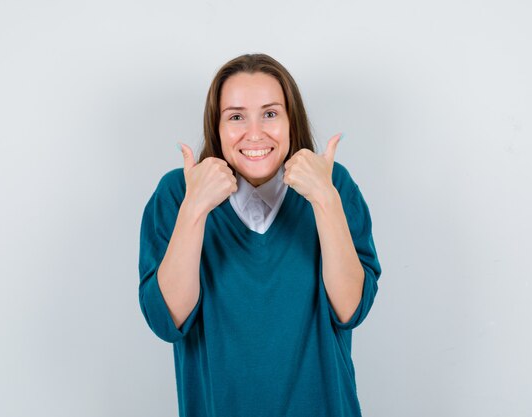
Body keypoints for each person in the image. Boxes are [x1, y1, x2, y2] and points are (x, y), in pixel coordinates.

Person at [138, 53, 382, 417]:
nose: (255, 133)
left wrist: (324, 199)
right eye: (236, 116)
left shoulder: (332, 185)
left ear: (290, 120)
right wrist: (195, 209)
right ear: (216, 128)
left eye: (270, 113)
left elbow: (350, 310)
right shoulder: (177, 194)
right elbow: (166, 320)